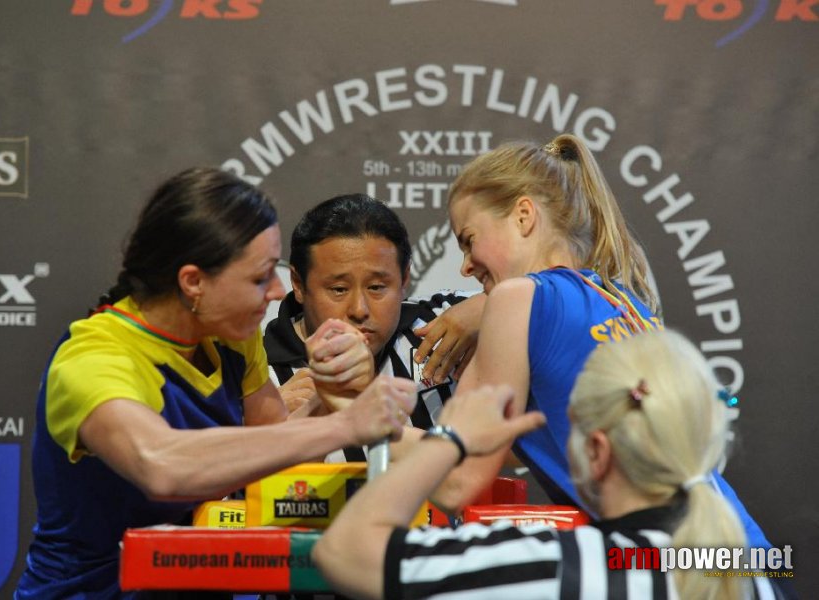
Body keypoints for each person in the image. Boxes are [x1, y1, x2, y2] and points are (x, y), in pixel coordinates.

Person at [14, 168, 417, 598]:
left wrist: (325, 390)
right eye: (260, 276)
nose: (278, 292)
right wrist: (348, 424)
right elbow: (162, 466)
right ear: (193, 283)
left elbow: (271, 452)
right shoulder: (95, 357)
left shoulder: (232, 338)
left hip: (200, 585)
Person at [421, 134, 771, 550]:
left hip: (670, 567)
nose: (464, 266)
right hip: (740, 553)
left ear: (523, 216)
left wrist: (362, 426)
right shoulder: (622, 299)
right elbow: (537, 442)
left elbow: (460, 478)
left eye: (469, 239)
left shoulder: (514, 300)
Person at [314, 329, 788, 600]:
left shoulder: (555, 565)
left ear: (597, 452)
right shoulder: (747, 572)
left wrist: (449, 440)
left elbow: (344, 553)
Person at [264, 193, 485, 461]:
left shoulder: (443, 320)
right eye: (338, 289)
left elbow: (548, 292)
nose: (359, 309)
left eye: (377, 287)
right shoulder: (259, 378)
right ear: (299, 285)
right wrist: (260, 433)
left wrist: (494, 304)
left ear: (404, 279)